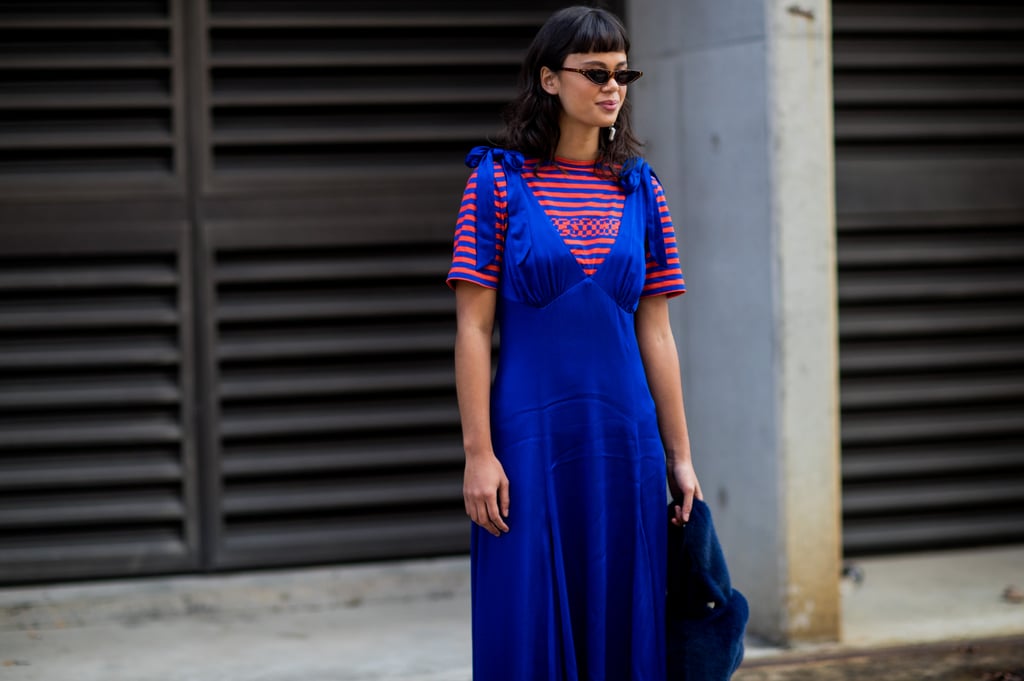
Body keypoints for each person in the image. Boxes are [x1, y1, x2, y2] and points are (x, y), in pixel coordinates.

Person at [446, 6, 701, 680]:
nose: (613, 86)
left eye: (622, 73)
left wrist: (680, 456)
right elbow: (472, 328)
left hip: (626, 439)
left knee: (626, 617)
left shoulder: (644, 190)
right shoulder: (496, 182)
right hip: (528, 443)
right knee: (525, 619)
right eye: (595, 72)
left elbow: (658, 332)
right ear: (549, 79)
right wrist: (478, 453)